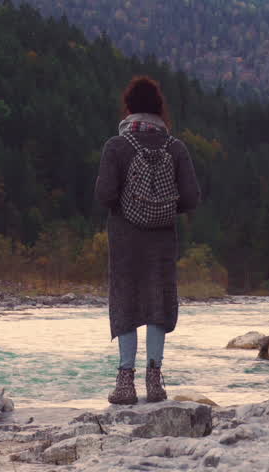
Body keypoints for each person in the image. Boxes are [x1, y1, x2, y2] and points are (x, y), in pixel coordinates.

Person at [94, 76, 200, 405]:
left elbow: (104, 194)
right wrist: (166, 208)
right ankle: (155, 381)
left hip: (125, 237)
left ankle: (125, 383)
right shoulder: (176, 147)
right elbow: (192, 197)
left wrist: (126, 207)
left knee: (125, 300)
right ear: (159, 109)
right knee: (159, 302)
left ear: (128, 108)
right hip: (162, 239)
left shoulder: (117, 146)